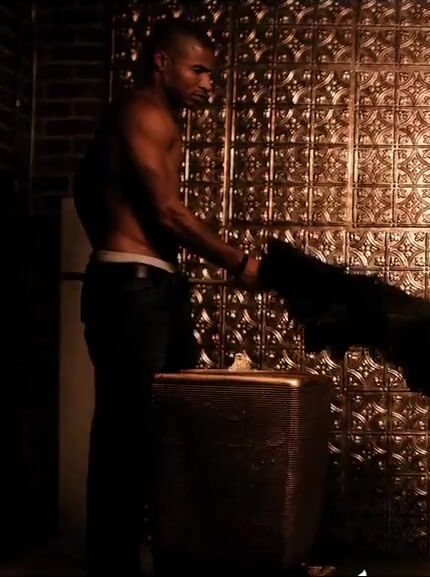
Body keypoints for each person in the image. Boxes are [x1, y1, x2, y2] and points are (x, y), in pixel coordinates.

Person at [72, 18, 260, 575]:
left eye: (212, 74)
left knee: (172, 429)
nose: (209, 84)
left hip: (152, 286)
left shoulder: (149, 119)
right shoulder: (142, 112)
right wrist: (239, 261)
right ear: (161, 62)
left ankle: (174, 557)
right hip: (132, 290)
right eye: (199, 70)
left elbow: (85, 190)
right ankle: (113, 569)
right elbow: (167, 212)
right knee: (125, 437)